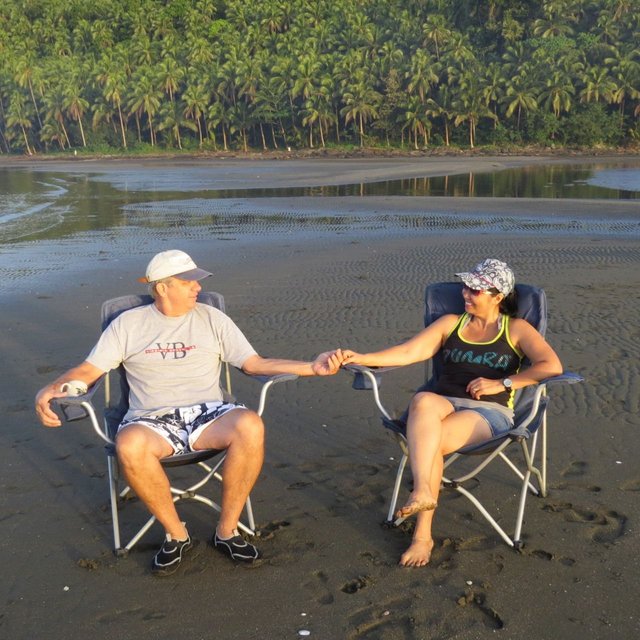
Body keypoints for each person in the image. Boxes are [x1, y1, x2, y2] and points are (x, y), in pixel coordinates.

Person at [35, 249, 345, 576]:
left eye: (197, 281)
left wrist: (311, 367)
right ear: (163, 287)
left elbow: (255, 364)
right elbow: (88, 370)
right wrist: (51, 389)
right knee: (129, 445)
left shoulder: (212, 318)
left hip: (209, 414)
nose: (198, 288)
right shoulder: (127, 324)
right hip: (151, 420)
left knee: (250, 425)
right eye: (188, 282)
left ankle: (227, 531)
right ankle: (176, 533)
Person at [342, 258, 563, 568]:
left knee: (429, 442)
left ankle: (423, 535)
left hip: (489, 412)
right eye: (466, 286)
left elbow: (551, 366)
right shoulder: (450, 323)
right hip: (440, 403)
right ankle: (422, 491)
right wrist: (363, 357)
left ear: (497, 296)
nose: (465, 293)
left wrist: (503, 381)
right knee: (422, 400)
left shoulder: (515, 328)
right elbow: (410, 352)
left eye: (476, 289)